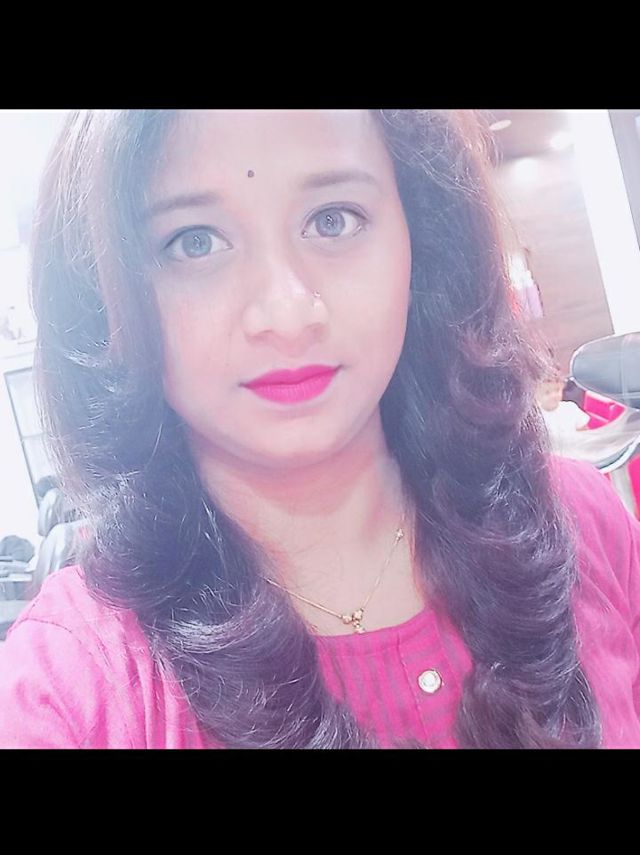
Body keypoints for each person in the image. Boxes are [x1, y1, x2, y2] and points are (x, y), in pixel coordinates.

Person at [0, 109, 638, 749]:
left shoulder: (578, 519)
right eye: (195, 242)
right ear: (105, 297)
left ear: (422, 239)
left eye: (333, 220)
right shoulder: (70, 688)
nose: (287, 313)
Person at [536, 372, 590, 454]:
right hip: (552, 456)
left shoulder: (571, 408)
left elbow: (585, 432)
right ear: (536, 396)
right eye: (547, 393)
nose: (554, 396)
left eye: (557, 390)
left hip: (575, 453)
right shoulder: (537, 416)